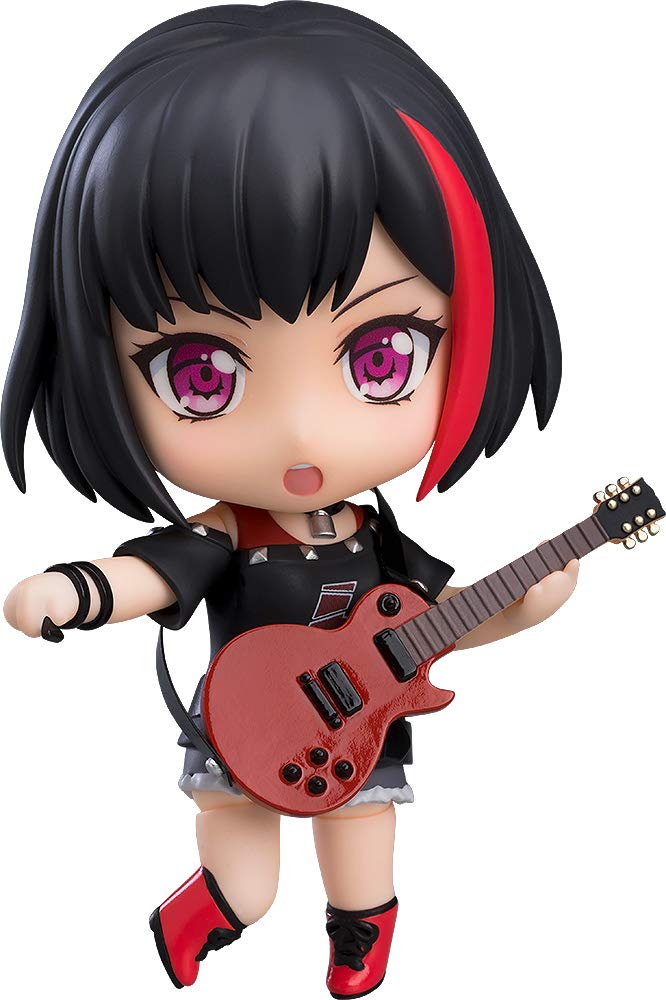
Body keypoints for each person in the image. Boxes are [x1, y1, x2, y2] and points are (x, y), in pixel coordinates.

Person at [2, 5, 577, 997]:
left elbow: (431, 624)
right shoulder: (233, 531)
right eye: (201, 374)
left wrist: (522, 604)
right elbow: (151, 572)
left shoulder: (373, 536)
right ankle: (206, 910)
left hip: (356, 737)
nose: (303, 433)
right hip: (244, 727)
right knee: (249, 881)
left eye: (382, 355)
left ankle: (360, 940)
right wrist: (76, 591)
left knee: (366, 853)